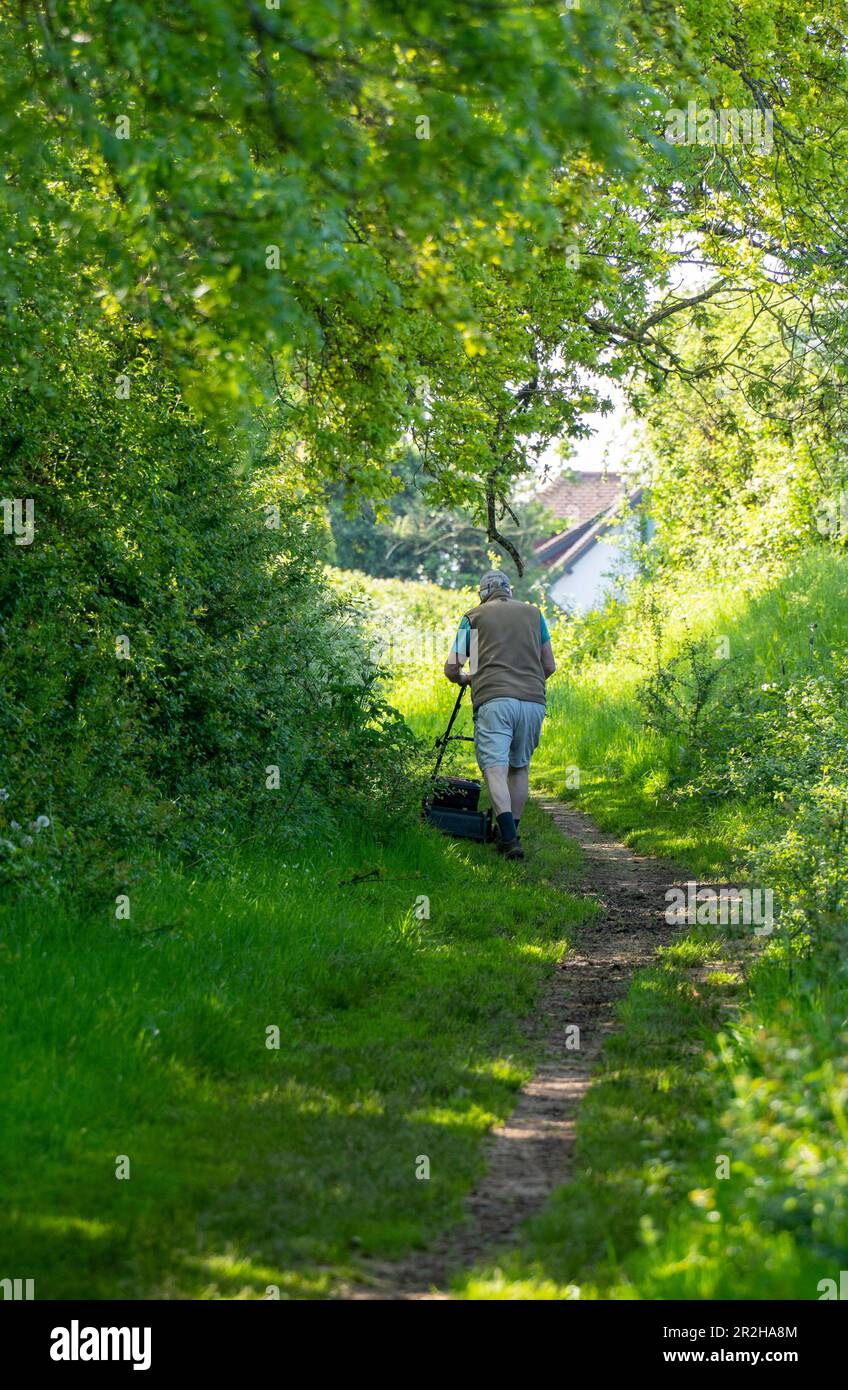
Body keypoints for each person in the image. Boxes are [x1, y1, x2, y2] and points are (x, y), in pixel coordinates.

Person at [444, 569, 556, 860]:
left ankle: (507, 838)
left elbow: (453, 666)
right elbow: (549, 666)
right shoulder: (534, 615)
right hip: (533, 702)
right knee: (519, 768)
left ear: (482, 594)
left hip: (495, 700)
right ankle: (511, 832)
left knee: (495, 768)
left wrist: (466, 678)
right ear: (508, 591)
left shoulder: (474, 617)